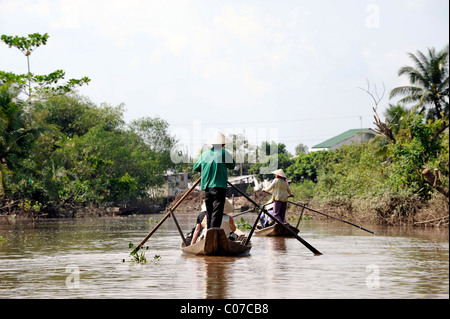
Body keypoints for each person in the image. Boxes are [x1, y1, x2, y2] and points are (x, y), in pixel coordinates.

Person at [193, 131, 235, 230]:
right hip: (219, 186)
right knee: (217, 211)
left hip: (207, 187)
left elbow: (196, 167)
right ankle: (213, 232)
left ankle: (209, 231)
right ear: (223, 144)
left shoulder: (204, 155)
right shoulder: (224, 153)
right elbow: (232, 166)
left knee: (209, 211)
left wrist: (205, 167)